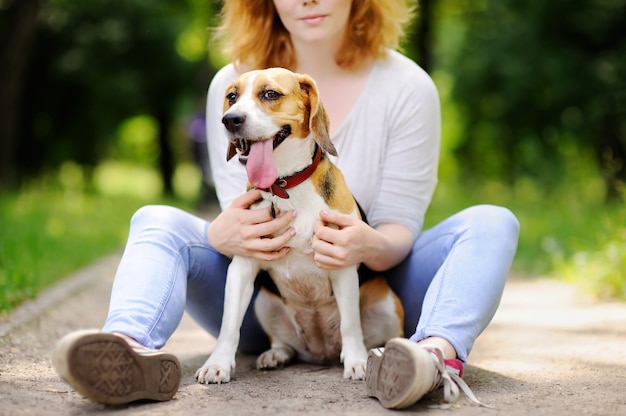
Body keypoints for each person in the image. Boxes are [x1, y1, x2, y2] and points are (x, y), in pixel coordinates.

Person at [52, 0, 520, 410]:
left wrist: (365, 244)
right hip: (268, 304)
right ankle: (125, 350)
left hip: (376, 290)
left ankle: (432, 358)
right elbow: (238, 206)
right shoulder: (232, 85)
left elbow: (401, 225)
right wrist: (220, 233)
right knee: (153, 218)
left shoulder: (407, 86)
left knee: (492, 221)